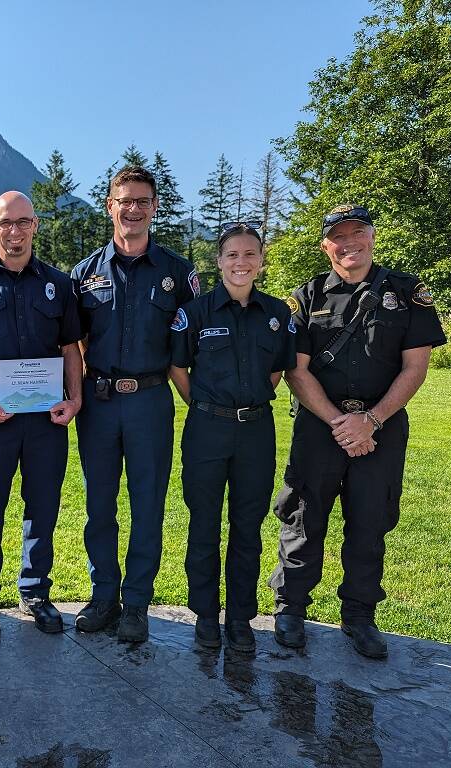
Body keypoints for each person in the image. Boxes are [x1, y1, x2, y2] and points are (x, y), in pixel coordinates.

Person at [269, 204, 446, 659]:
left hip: (381, 428)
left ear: (371, 236)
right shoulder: (305, 297)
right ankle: (290, 608)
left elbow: (415, 368)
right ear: (326, 245)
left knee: (369, 521)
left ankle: (360, 615)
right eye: (339, 237)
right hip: (320, 426)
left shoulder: (407, 294)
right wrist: (338, 422)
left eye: (358, 233)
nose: (350, 244)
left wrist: (370, 421)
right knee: (304, 518)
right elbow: (297, 371)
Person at [70, 164, 199, 643]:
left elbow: (191, 346)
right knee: (98, 505)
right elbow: (73, 342)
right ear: (111, 206)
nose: (133, 209)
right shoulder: (84, 274)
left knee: (148, 505)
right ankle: (104, 595)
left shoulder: (179, 274)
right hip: (99, 404)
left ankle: (137, 604)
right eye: (125, 200)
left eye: (143, 201)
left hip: (150, 402)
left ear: (154, 208)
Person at [0, 191, 83, 641]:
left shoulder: (59, 285)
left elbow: (70, 348)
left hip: (46, 419)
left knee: (42, 508)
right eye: (5, 223)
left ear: (35, 226)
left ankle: (35, 592)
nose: (14, 231)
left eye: (23, 222)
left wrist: (76, 399)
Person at [170, 223, 296, 654]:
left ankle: (240, 617)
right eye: (232, 255)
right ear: (218, 261)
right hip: (207, 429)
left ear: (261, 261)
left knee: (248, 526)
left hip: (256, 431)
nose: (241, 263)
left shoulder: (278, 314)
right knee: (204, 524)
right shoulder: (197, 312)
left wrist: (247, 403)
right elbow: (179, 368)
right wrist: (205, 405)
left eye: (250, 255)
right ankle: (206, 615)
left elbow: (278, 371)